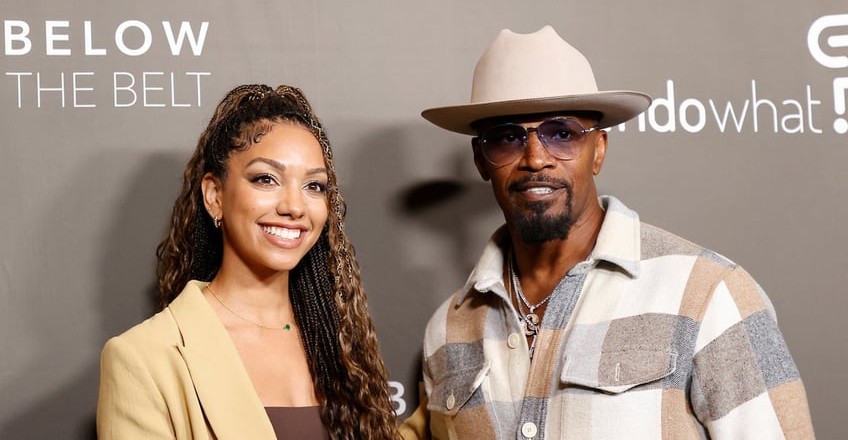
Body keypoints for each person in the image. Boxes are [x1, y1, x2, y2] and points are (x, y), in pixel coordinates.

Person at [399, 27, 815, 439]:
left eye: (562, 133)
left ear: (598, 150)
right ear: (480, 160)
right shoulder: (447, 329)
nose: (536, 158)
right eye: (507, 138)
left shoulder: (709, 294)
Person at [97, 84, 401, 440]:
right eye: (266, 179)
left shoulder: (343, 346)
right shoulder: (142, 359)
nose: (294, 206)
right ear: (214, 195)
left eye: (314, 186)